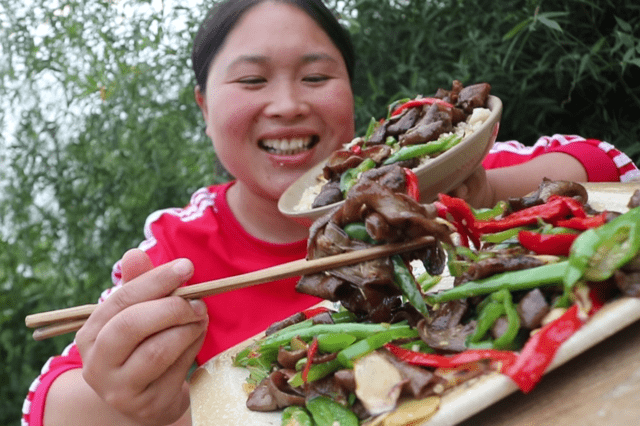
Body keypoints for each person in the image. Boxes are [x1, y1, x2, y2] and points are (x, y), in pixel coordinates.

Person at [22, 1, 639, 426]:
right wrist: (121, 400)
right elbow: (43, 404)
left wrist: (475, 192)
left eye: (316, 76)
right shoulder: (175, 251)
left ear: (351, 91)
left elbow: (611, 167)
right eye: (252, 81)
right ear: (203, 104)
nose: (287, 105)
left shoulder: (419, 168)